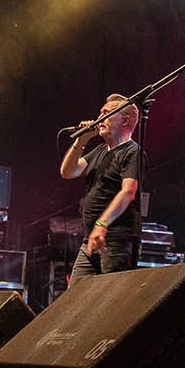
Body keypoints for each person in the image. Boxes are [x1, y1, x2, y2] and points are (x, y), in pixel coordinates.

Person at [59, 95, 142, 283]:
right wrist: (81, 140)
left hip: (116, 242)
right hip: (90, 240)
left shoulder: (132, 152)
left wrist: (101, 224)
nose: (99, 118)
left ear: (125, 121)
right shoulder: (100, 151)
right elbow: (68, 172)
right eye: (100, 113)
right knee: (75, 296)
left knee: (110, 297)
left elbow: (128, 192)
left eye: (106, 113)